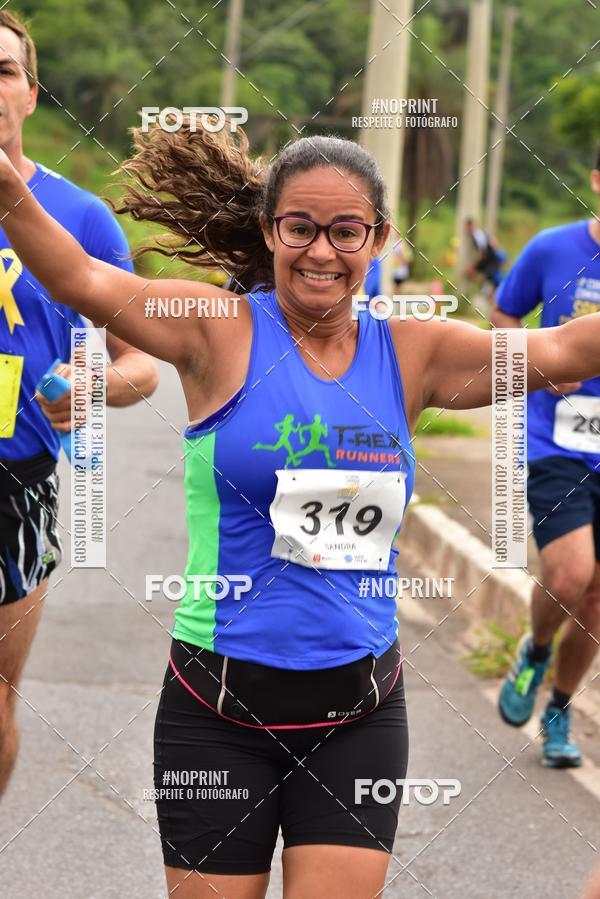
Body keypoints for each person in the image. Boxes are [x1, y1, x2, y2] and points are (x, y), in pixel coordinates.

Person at [0, 120, 599, 899]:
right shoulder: (218, 332)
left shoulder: (415, 353)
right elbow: (83, 279)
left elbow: (564, 352)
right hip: (215, 713)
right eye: (300, 228)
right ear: (269, 230)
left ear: (378, 239)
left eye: (346, 231)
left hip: (358, 715)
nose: (322, 251)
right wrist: (12, 192)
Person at [0, 10, 158, 796]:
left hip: (14, 486)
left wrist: (95, 385)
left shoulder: (82, 218)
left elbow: (142, 365)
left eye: (2, 71)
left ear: (30, 94)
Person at [493, 147, 600, 768]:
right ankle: (534, 650)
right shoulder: (551, 248)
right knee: (568, 574)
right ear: (594, 179)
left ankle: (558, 712)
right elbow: (506, 312)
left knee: (596, 600)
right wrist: (532, 365)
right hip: (555, 441)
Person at [465, 217, 506, 290]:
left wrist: (474, 265)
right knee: (494, 283)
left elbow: (483, 253)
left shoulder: (477, 235)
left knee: (495, 283)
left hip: (490, 261)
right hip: (491, 260)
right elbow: (494, 242)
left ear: (471, 226)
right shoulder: (480, 232)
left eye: (467, 227)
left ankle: (481, 288)